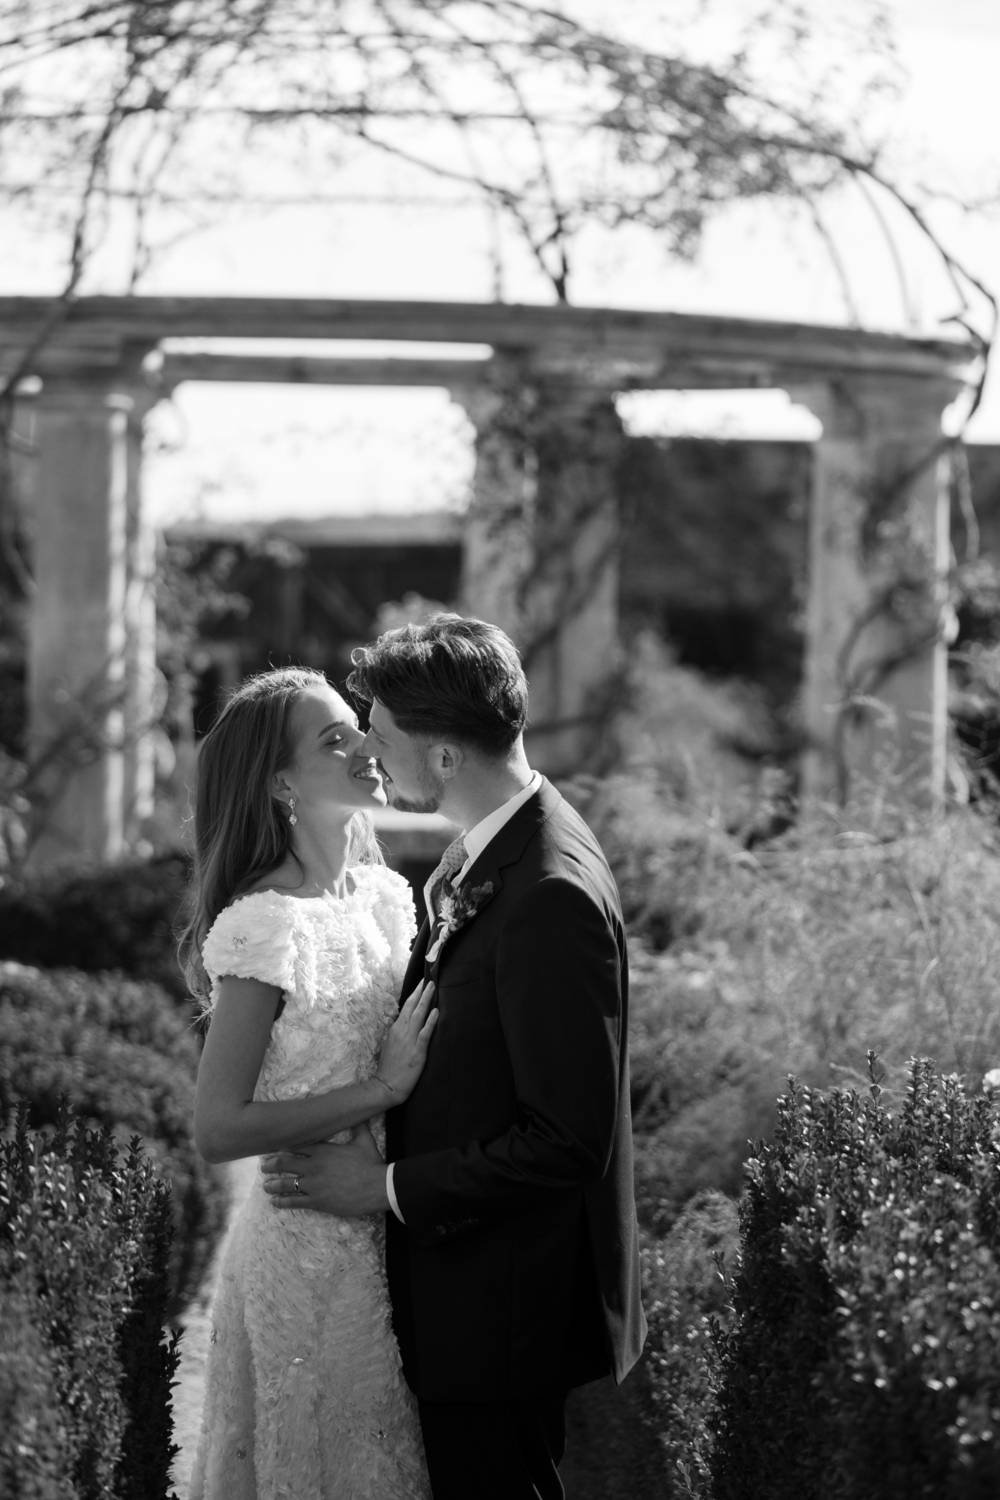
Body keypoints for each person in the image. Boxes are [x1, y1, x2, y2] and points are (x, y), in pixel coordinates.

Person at [262, 616, 647, 1500]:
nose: (368, 751)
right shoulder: (502, 844)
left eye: (381, 733)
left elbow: (566, 1140)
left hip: (504, 1308)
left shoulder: (549, 892)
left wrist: (384, 1187)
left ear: (442, 756)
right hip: (472, 1291)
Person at [178, 665, 436, 1500]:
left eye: (357, 727)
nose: (366, 746)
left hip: (392, 1229)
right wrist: (378, 1093)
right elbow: (218, 1129)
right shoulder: (266, 925)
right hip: (305, 1252)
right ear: (282, 783)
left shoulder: (388, 898)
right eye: (334, 740)